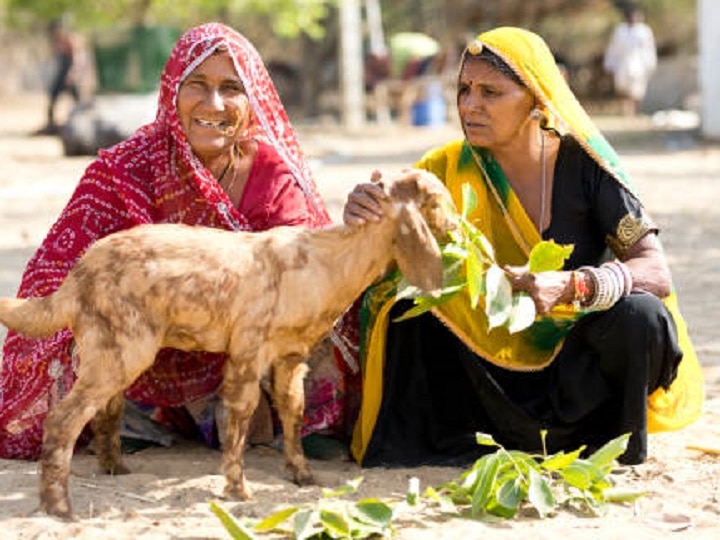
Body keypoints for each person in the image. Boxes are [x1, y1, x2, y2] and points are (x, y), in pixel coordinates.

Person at [344, 27, 704, 467]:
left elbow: (656, 272)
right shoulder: (444, 169)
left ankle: (608, 442)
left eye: (490, 92)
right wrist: (367, 214)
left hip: (575, 371)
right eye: (463, 89)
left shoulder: (587, 168)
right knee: (404, 297)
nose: (470, 105)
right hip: (485, 376)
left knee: (643, 317)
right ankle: (445, 439)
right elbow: (385, 244)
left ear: (536, 99)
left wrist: (575, 286)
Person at [0, 23, 359, 460]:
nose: (214, 104)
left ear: (251, 101)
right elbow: (54, 272)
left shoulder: (273, 175)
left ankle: (303, 424)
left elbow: (305, 276)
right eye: (198, 85)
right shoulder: (125, 170)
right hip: (151, 348)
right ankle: (142, 417)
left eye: (231, 88)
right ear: (172, 89)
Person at [603, 5, 657, 116]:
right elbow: (614, 48)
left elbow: (649, 48)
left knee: (637, 90)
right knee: (623, 89)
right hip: (623, 64)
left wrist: (650, 63)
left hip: (639, 64)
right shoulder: (620, 31)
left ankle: (635, 111)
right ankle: (627, 112)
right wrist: (610, 62)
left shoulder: (645, 31)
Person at [36, 18, 82, 135]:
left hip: (69, 73)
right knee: (53, 98)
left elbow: (76, 58)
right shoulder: (57, 41)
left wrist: (72, 74)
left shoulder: (69, 40)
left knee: (77, 101)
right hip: (61, 73)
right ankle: (50, 123)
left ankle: (81, 121)